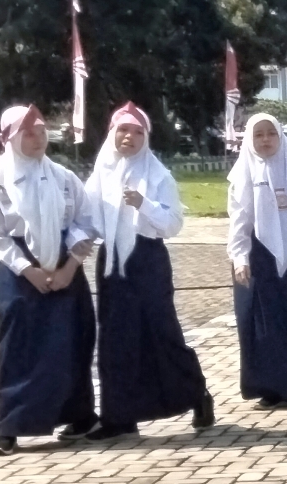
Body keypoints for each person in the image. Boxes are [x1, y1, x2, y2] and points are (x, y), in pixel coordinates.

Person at [85, 102, 214, 440]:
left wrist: (144, 204)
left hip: (148, 260)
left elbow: (173, 224)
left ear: (146, 137)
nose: (129, 137)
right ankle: (119, 416)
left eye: (137, 131)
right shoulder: (102, 172)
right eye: (123, 130)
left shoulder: (158, 176)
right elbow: (87, 219)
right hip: (112, 261)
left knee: (162, 333)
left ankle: (196, 392)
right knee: (115, 339)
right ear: (112, 133)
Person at [0, 105, 98, 454]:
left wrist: (69, 265)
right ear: (9, 137)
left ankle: (79, 415)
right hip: (16, 271)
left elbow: (85, 221)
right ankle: (8, 424)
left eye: (41, 131)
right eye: (27, 132)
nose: (37, 138)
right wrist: (28, 269)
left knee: (72, 340)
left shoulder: (62, 176)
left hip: (64, 269)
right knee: (16, 344)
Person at [227, 113, 287, 408]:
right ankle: (268, 388)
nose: (265, 140)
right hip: (257, 257)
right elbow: (238, 221)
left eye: (271, 134)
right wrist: (240, 257)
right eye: (259, 135)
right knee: (259, 323)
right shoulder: (243, 173)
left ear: (280, 137)